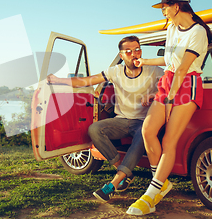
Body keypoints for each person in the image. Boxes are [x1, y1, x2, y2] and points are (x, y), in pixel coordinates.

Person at [126, 0, 212, 216]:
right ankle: (161, 182)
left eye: (164, 7)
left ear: (177, 6)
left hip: (187, 85)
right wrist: (145, 62)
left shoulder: (198, 32)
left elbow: (184, 69)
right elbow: (170, 62)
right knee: (148, 131)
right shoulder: (172, 28)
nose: (162, 11)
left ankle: (150, 195)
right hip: (169, 81)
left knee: (169, 142)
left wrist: (169, 101)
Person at [47, 36, 162, 202]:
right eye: (129, 51)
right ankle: (123, 172)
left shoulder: (154, 70)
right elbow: (88, 80)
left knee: (142, 134)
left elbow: (171, 87)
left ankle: (113, 184)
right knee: (94, 129)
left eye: (137, 49)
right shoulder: (115, 71)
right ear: (121, 56)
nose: (134, 54)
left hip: (145, 121)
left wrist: (154, 95)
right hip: (122, 120)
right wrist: (59, 81)